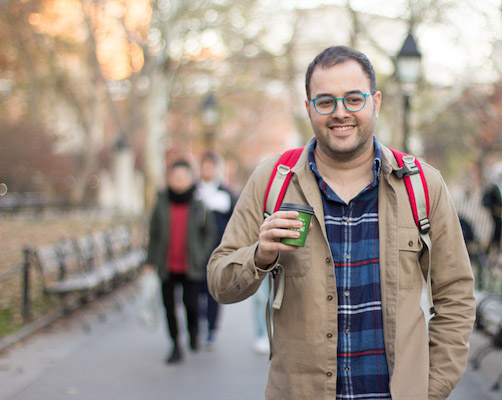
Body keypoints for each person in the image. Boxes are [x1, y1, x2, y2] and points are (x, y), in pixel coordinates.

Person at [207, 46, 475, 399]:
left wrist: (431, 388)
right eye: (325, 102)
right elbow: (219, 281)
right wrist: (259, 256)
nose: (340, 113)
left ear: (375, 102)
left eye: (353, 99)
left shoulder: (422, 186)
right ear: (309, 109)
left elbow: (455, 294)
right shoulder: (272, 181)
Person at [144, 159, 216, 364]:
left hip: (191, 266)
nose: (178, 181)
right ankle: (175, 345)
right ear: (169, 179)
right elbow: (154, 234)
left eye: (183, 177)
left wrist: (201, 255)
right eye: (175, 177)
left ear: (190, 179)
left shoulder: (199, 204)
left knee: (191, 305)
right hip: (166, 265)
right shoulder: (161, 203)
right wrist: (150, 261)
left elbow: (209, 234)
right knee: (169, 307)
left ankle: (193, 332)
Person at [194, 151, 236, 349]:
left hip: (218, 251)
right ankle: (197, 323)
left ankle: (211, 329)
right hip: (194, 252)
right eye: (204, 166)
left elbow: (234, 222)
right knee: (195, 289)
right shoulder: (193, 192)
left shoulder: (226, 194)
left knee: (213, 289)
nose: (207, 170)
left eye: (211, 166)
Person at [482, 163, 502, 256]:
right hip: (497, 214)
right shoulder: (495, 186)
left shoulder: (501, 186)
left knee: (499, 232)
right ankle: (491, 251)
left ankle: (495, 250)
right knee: (496, 232)